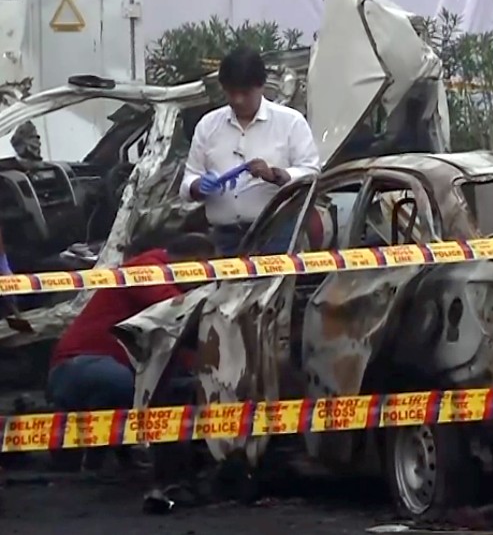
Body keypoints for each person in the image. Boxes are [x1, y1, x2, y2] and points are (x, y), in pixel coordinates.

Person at [47, 233, 216, 476]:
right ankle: (91, 451)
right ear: (195, 261)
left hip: (109, 365)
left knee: (180, 385)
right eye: (206, 269)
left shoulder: (161, 270)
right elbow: (177, 309)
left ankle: (123, 454)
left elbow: (176, 339)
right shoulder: (146, 270)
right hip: (79, 365)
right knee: (121, 384)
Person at [181, 47, 320, 256]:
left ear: (261, 86)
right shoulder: (208, 125)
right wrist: (197, 186)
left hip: (277, 234)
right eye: (231, 92)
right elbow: (189, 177)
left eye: (245, 93)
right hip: (224, 238)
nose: (237, 100)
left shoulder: (290, 122)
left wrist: (276, 175)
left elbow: (312, 173)